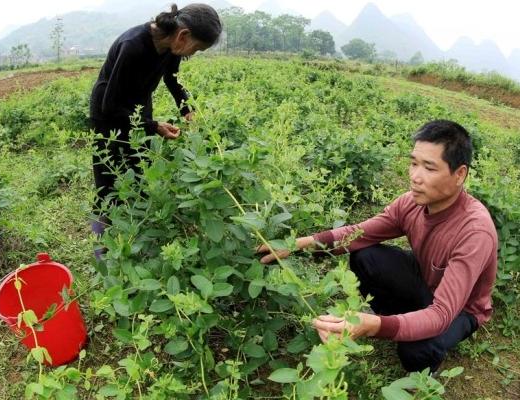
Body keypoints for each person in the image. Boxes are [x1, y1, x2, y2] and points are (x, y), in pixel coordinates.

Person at [258, 120, 498, 373]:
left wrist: (374, 326)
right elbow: (358, 234)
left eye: (429, 168)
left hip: (459, 309)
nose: (415, 177)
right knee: (363, 253)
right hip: (426, 282)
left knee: (415, 349)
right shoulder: (411, 203)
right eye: (414, 163)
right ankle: (400, 320)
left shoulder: (474, 231)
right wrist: (298, 244)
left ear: (459, 174)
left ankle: (425, 363)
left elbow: (441, 313)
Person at [89, 3, 222, 236]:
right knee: (109, 175)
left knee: (139, 167)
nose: (193, 54)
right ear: (183, 35)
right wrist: (154, 126)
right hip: (108, 112)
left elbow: (172, 79)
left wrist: (188, 110)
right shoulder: (133, 45)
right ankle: (104, 238)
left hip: (140, 108)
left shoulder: (172, 47)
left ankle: (134, 228)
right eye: (197, 48)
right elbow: (110, 105)